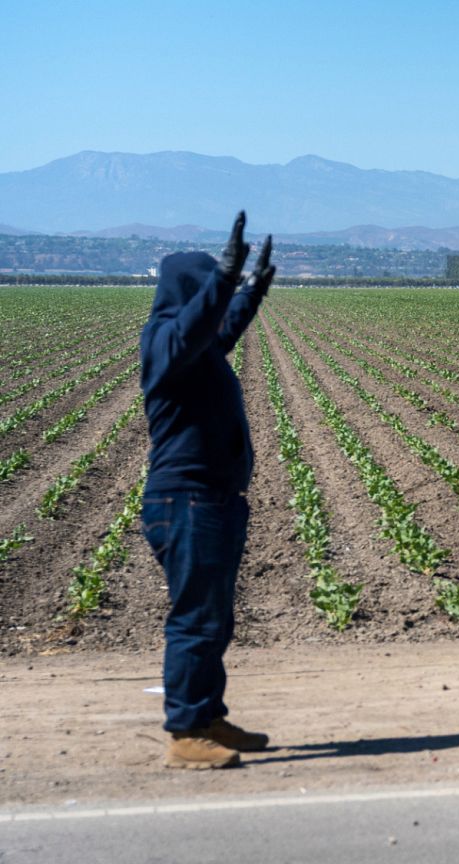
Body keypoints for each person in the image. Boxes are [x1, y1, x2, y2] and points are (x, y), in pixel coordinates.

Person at [140, 212, 276, 768]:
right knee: (196, 618)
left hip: (211, 501)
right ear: (189, 292)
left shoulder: (196, 351)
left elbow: (220, 331)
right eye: (204, 289)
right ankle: (185, 731)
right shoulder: (164, 345)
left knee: (214, 616)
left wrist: (252, 288)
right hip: (186, 502)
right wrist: (225, 278)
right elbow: (199, 329)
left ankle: (209, 715)